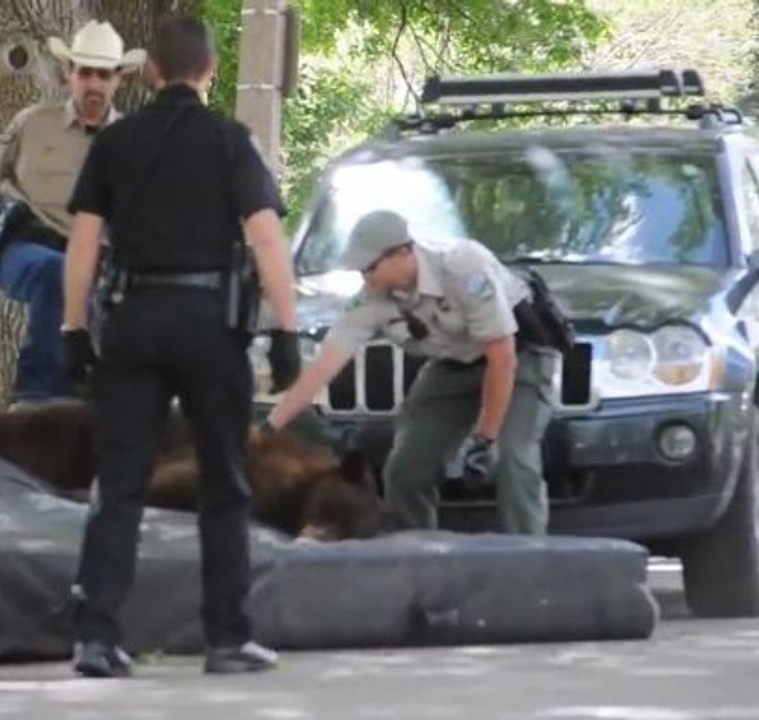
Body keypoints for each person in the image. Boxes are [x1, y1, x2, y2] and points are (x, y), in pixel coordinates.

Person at [60, 14, 301, 677]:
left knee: (121, 484)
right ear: (210, 72)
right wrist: (284, 329)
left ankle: (97, 636)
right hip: (208, 327)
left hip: (132, 322)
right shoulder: (231, 142)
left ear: (149, 72)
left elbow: (83, 243)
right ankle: (226, 637)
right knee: (224, 482)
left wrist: (72, 327)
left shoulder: (115, 144)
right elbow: (265, 238)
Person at [262, 209, 557, 536]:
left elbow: (502, 357)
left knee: (514, 461)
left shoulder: (462, 265)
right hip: (455, 364)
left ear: (403, 252)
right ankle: (415, 554)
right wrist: (272, 425)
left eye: (370, 267)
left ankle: (530, 556)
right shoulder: (370, 301)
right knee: (405, 467)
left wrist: (485, 439)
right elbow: (325, 364)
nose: (365, 277)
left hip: (519, 359)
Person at [0, 20, 145, 406]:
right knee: (56, 273)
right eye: (86, 73)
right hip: (24, 243)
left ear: (118, 80)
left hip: (95, 261)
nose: (94, 85)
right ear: (68, 74)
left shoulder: (131, 142)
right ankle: (36, 396)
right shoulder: (34, 123)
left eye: (104, 75)